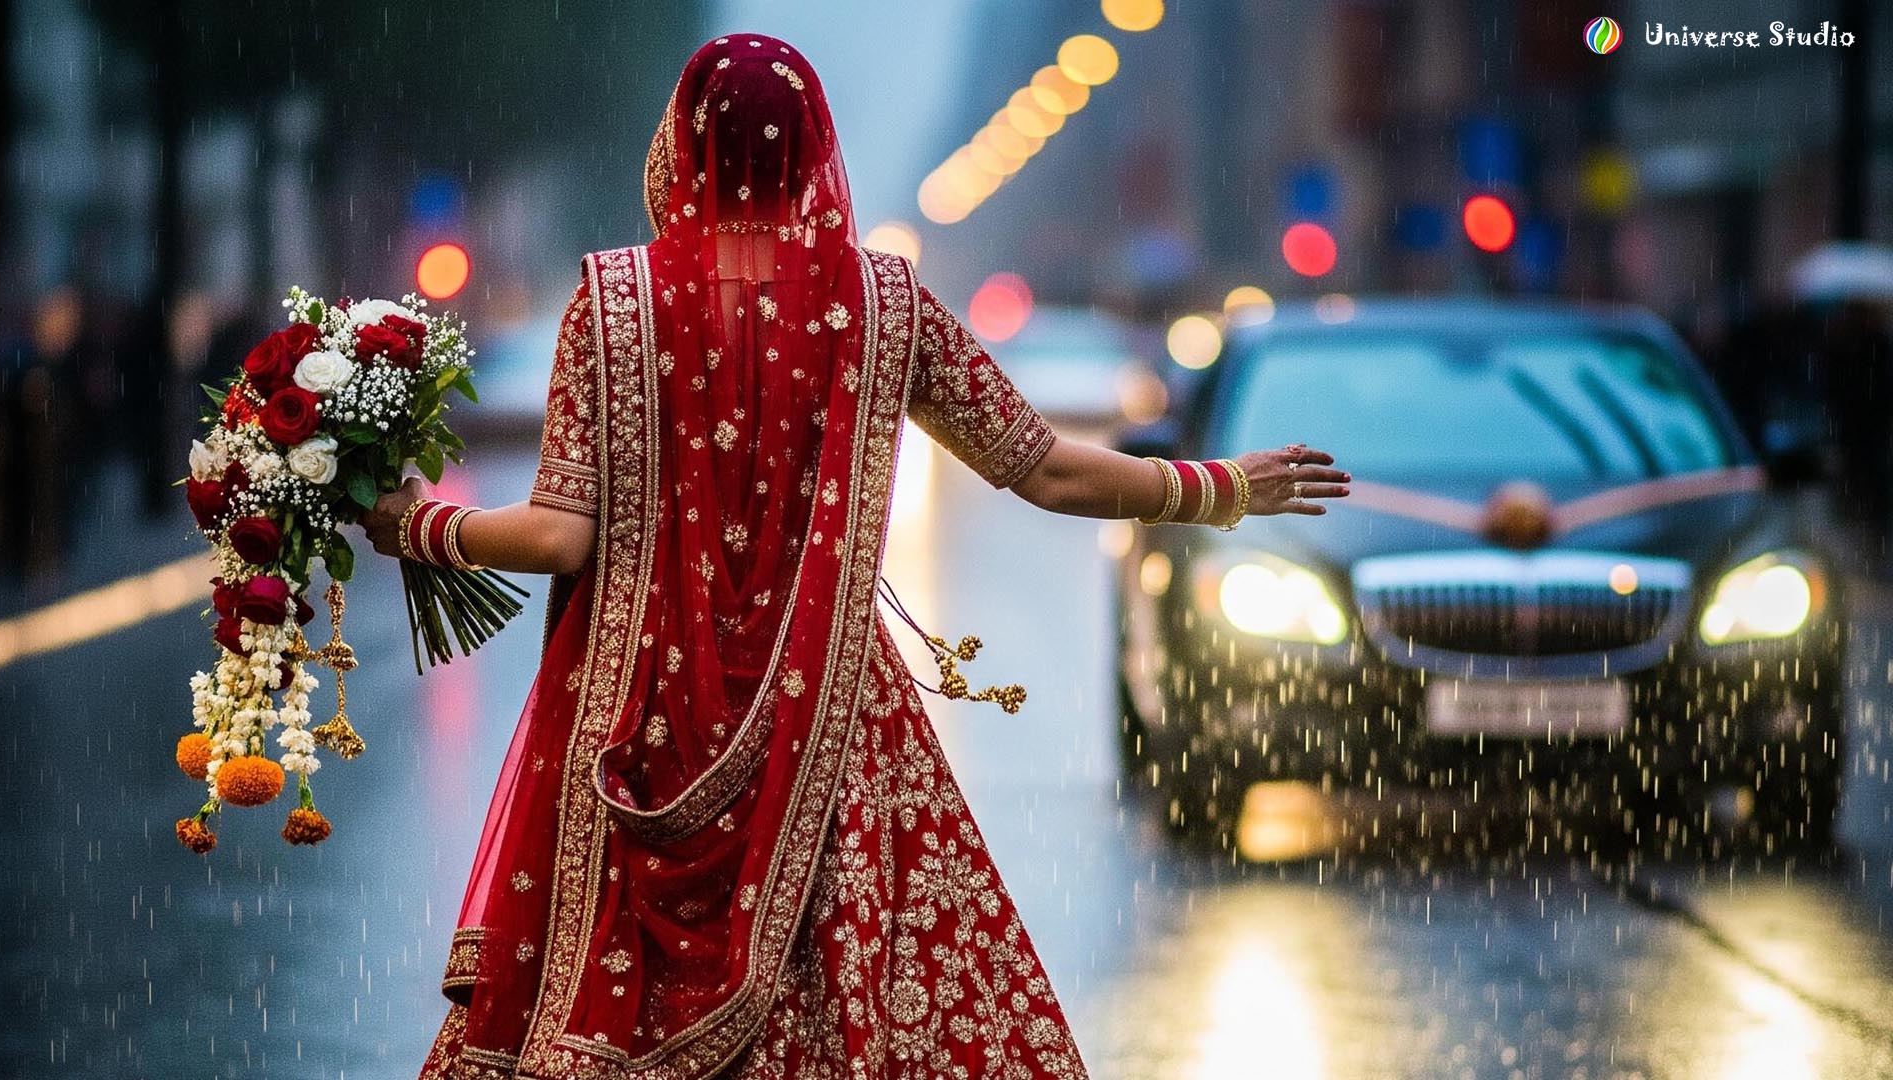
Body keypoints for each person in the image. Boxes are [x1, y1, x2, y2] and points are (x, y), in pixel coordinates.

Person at [360, 35, 1347, 1080]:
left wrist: (423, 525)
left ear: (682, 144)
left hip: (639, 719)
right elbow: (1044, 470)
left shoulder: (613, 305)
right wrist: (1218, 487)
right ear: (811, 151)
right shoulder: (881, 307)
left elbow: (561, 534)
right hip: (829, 723)